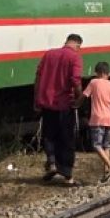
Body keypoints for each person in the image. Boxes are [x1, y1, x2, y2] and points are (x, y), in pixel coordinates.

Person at [34, 34, 84, 185]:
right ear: (77, 45)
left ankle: (52, 163)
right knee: (66, 139)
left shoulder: (48, 54)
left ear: (66, 42)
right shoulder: (74, 57)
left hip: (47, 103)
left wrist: (36, 98)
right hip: (64, 104)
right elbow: (75, 80)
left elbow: (38, 77)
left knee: (49, 135)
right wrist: (79, 98)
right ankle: (67, 175)